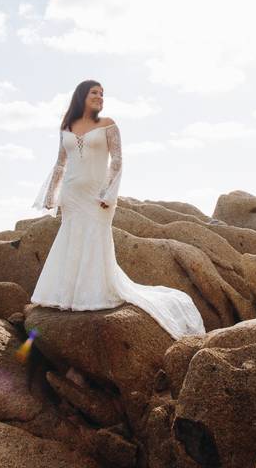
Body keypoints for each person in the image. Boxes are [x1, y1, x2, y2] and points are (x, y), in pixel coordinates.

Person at [32, 80, 205, 338]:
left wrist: (109, 192)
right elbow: (60, 163)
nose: (100, 97)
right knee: (71, 238)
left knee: (95, 238)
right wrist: (50, 194)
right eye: (94, 93)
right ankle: (66, 295)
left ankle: (93, 295)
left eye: (102, 94)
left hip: (97, 195)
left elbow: (117, 160)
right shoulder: (66, 127)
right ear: (82, 95)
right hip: (72, 194)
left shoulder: (108, 124)